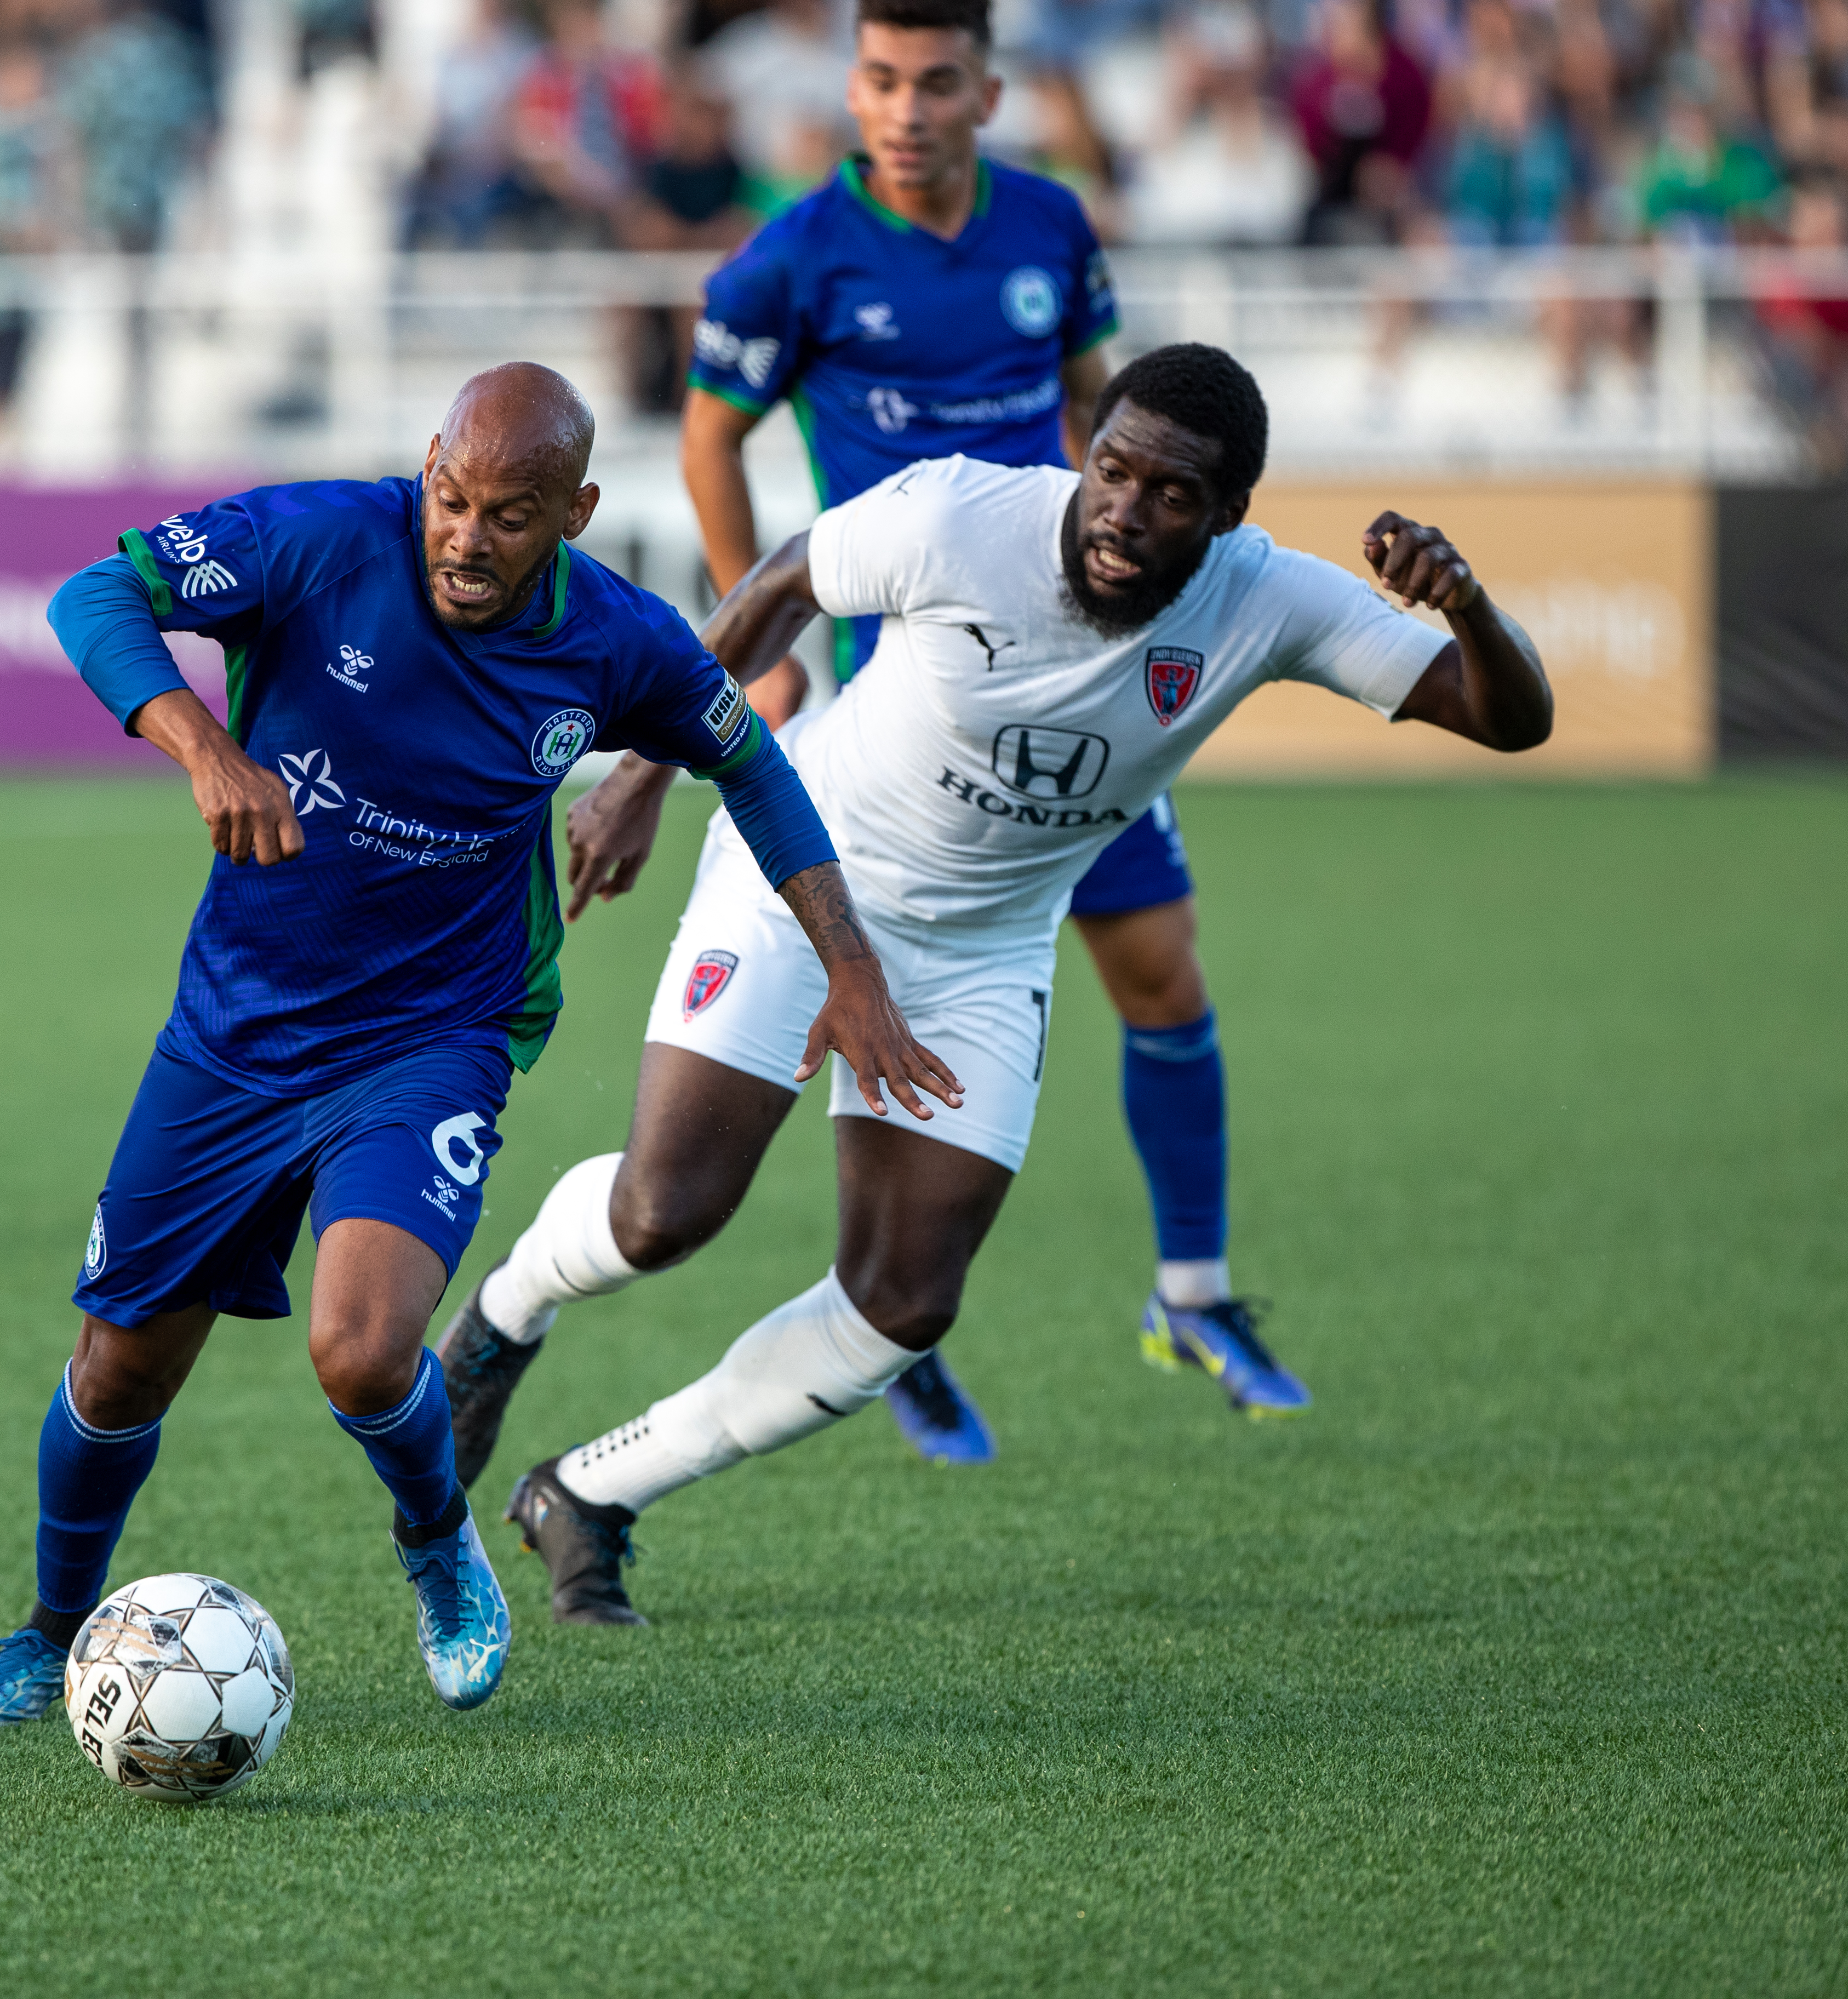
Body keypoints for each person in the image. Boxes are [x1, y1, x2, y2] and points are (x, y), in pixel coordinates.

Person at [462, 345, 1551, 1624]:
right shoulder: (957, 515)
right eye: (1113, 470)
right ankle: (502, 1317)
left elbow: (1508, 718)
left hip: (983, 953)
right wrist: (649, 772)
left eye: (1172, 495)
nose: (1126, 512)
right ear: (1084, 450)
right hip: (800, 873)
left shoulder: (1270, 601)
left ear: (1232, 514)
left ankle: (587, 1494)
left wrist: (1468, 606)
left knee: (903, 1307)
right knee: (665, 1215)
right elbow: (779, 586)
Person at [0, 363, 949, 1724]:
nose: (467, 537)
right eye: (450, 498)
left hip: (436, 1034)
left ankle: (439, 1547)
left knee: (359, 1350)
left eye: (509, 514)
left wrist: (852, 969)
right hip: (237, 1027)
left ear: (576, 512)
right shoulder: (320, 540)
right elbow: (95, 595)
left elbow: (750, 761)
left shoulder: (619, 641)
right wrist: (201, 748)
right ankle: (51, 1633)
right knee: (119, 1366)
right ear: (425, 470)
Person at [516, 0, 1302, 1467]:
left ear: (988, 93)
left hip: (1075, 674)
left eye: (937, 82)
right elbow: (707, 435)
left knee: (1160, 967)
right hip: (905, 693)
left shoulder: (1053, 234)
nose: (908, 108)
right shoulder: (791, 257)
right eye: (881, 81)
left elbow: (1101, 409)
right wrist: (772, 654)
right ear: (855, 90)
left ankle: (1191, 1293)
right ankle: (882, 1326)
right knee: (850, 1014)